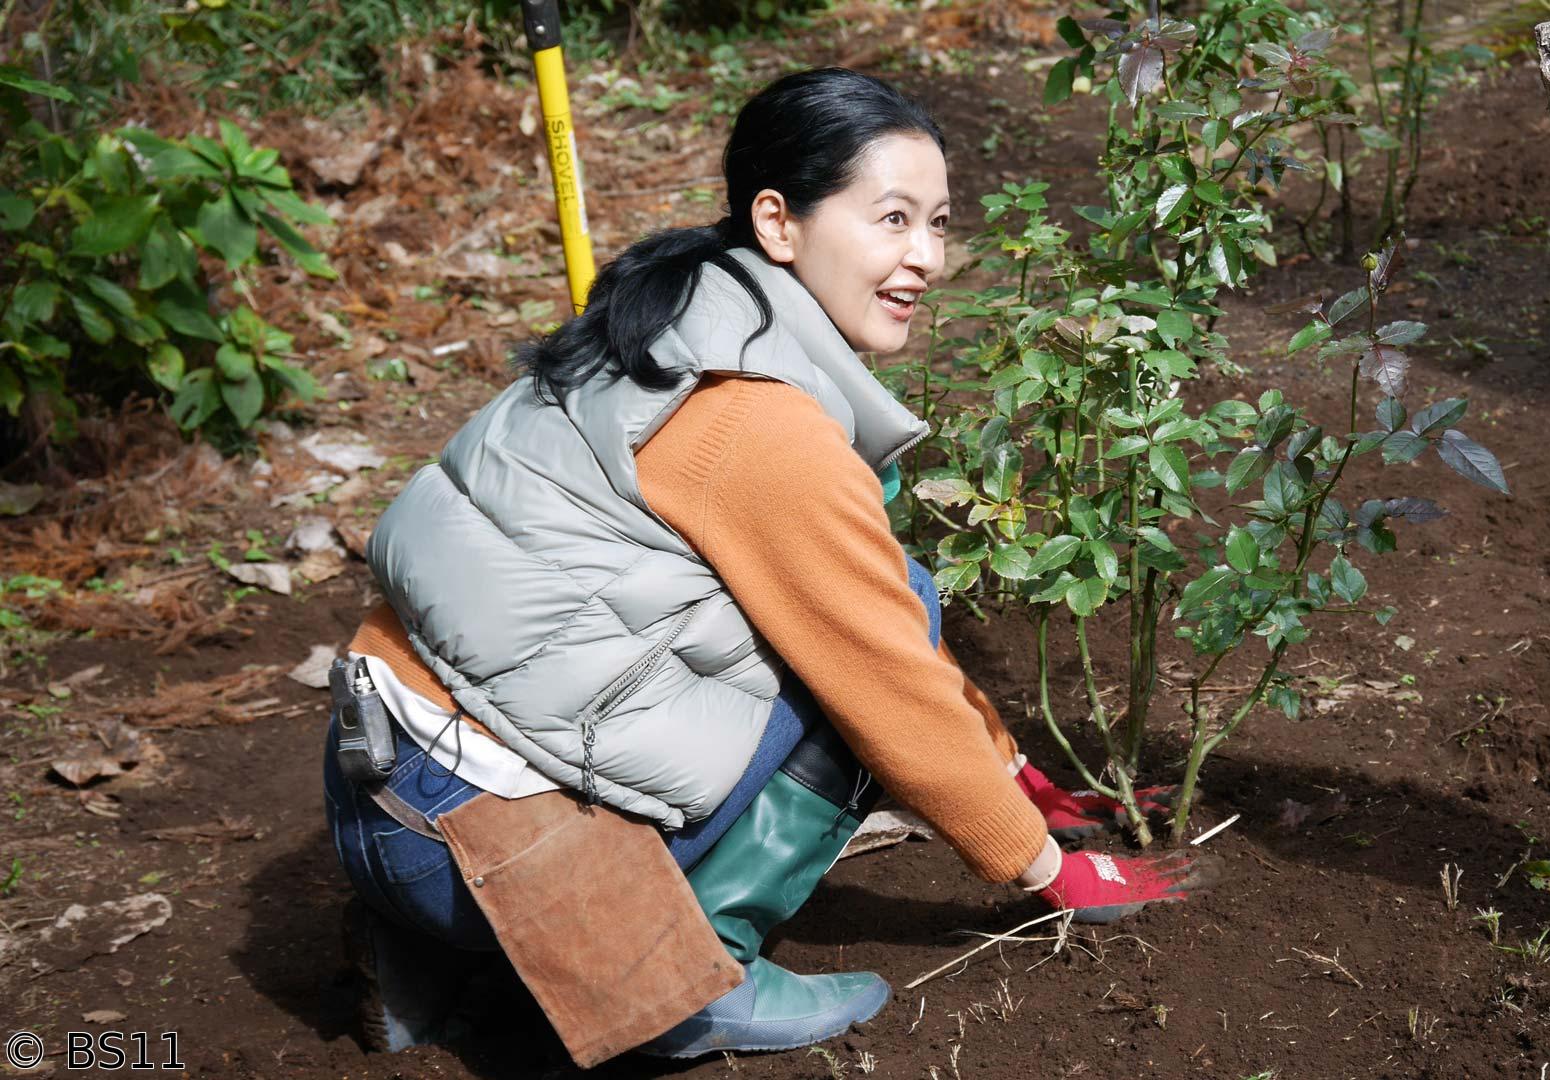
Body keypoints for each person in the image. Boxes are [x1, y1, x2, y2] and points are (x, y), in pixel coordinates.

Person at [321, 66, 1199, 1063]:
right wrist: (1048, 867)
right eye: (893, 219)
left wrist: (1010, 768)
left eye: (941, 225)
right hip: (464, 842)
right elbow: (886, 677)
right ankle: (683, 976)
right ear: (778, 223)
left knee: (860, 611)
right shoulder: (758, 421)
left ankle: (419, 965)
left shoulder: (674, 317)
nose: (928, 258)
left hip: (377, 789)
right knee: (859, 669)